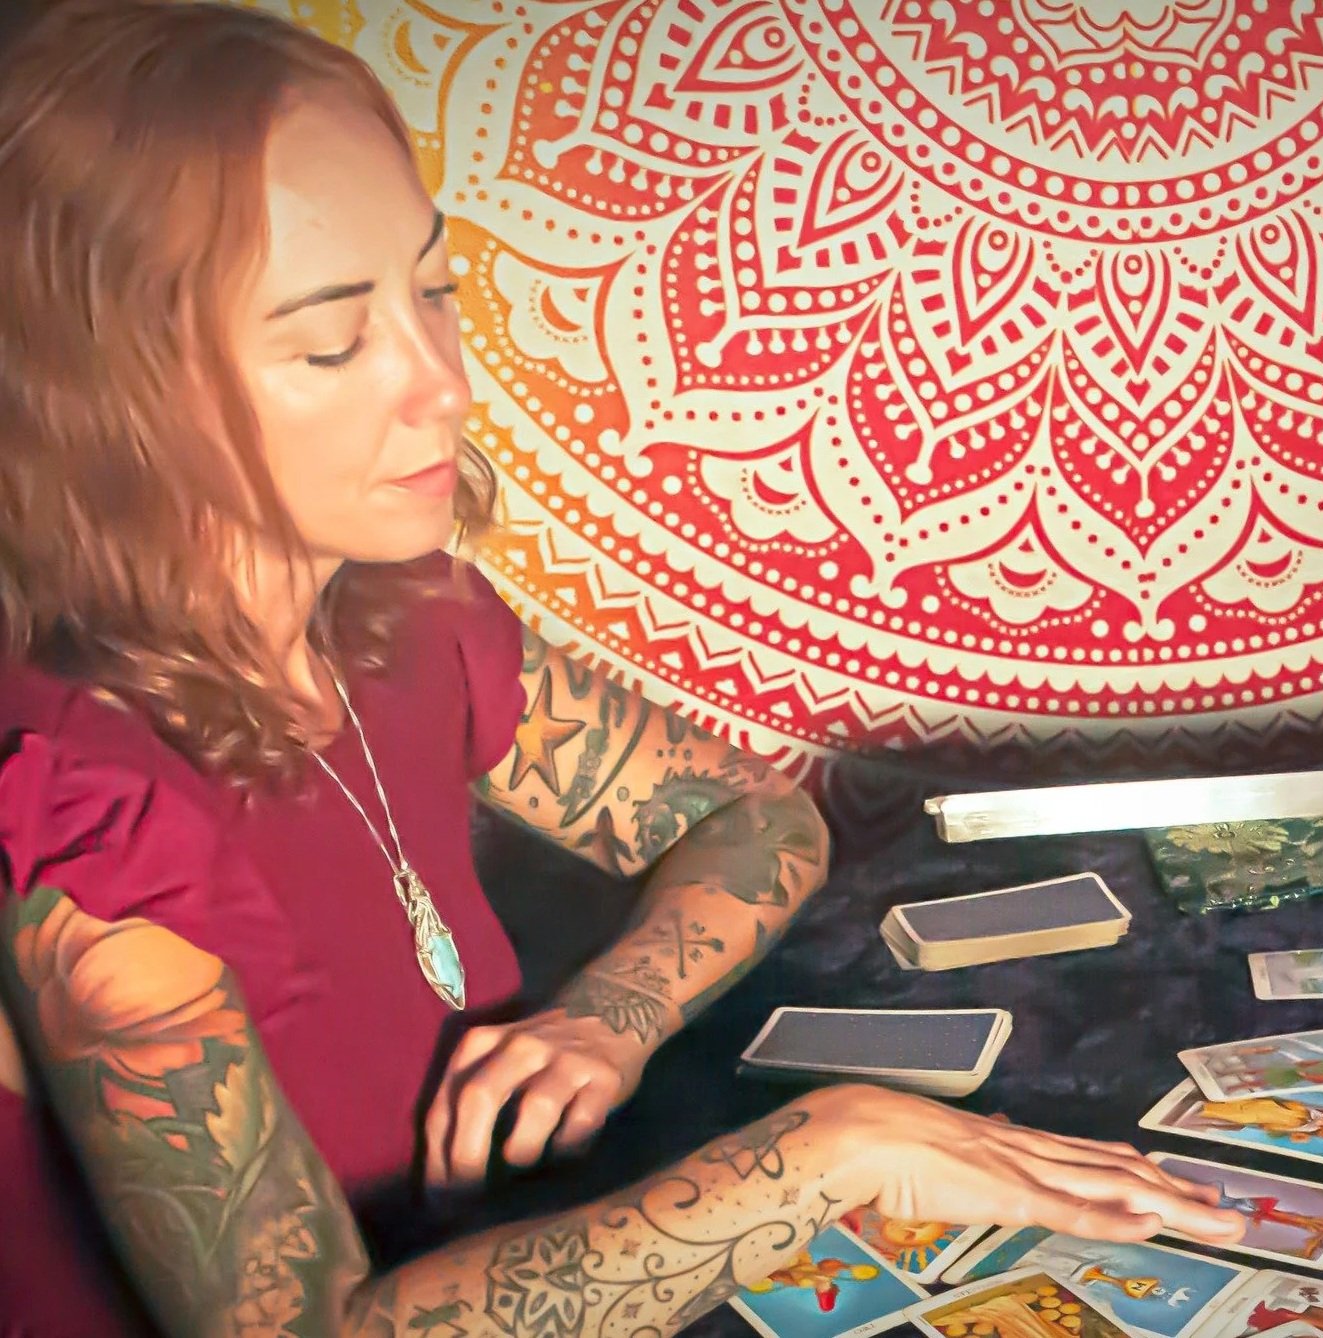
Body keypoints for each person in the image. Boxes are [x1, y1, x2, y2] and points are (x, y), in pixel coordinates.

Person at [0, 3, 1244, 1334]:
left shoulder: (405, 616)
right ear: (102, 403)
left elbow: (752, 811)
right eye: (329, 340)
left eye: (431, 290)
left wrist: (609, 1012)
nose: (442, 384)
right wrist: (821, 1157)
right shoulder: (87, 821)